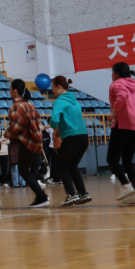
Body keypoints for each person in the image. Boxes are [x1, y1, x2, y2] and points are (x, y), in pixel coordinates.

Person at [108, 62, 135, 204]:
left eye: (112, 72)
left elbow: (122, 97)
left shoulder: (116, 84)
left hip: (122, 126)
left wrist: (113, 113)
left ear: (117, 73)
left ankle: (126, 186)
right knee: (127, 161)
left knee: (112, 160)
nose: (111, 75)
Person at [5, 80, 49, 208]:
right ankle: (40, 195)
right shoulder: (29, 103)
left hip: (28, 141)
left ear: (14, 90)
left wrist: (6, 136)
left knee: (23, 170)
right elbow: (37, 120)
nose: (9, 90)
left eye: (10, 88)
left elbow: (15, 127)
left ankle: (42, 196)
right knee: (30, 169)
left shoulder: (15, 106)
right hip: (38, 141)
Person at [50, 76, 91, 206]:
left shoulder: (59, 101)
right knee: (72, 165)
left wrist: (55, 127)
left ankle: (72, 195)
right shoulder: (75, 101)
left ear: (58, 87)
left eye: (52, 87)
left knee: (61, 167)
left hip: (71, 138)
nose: (52, 90)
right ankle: (83, 193)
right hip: (83, 137)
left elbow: (54, 120)